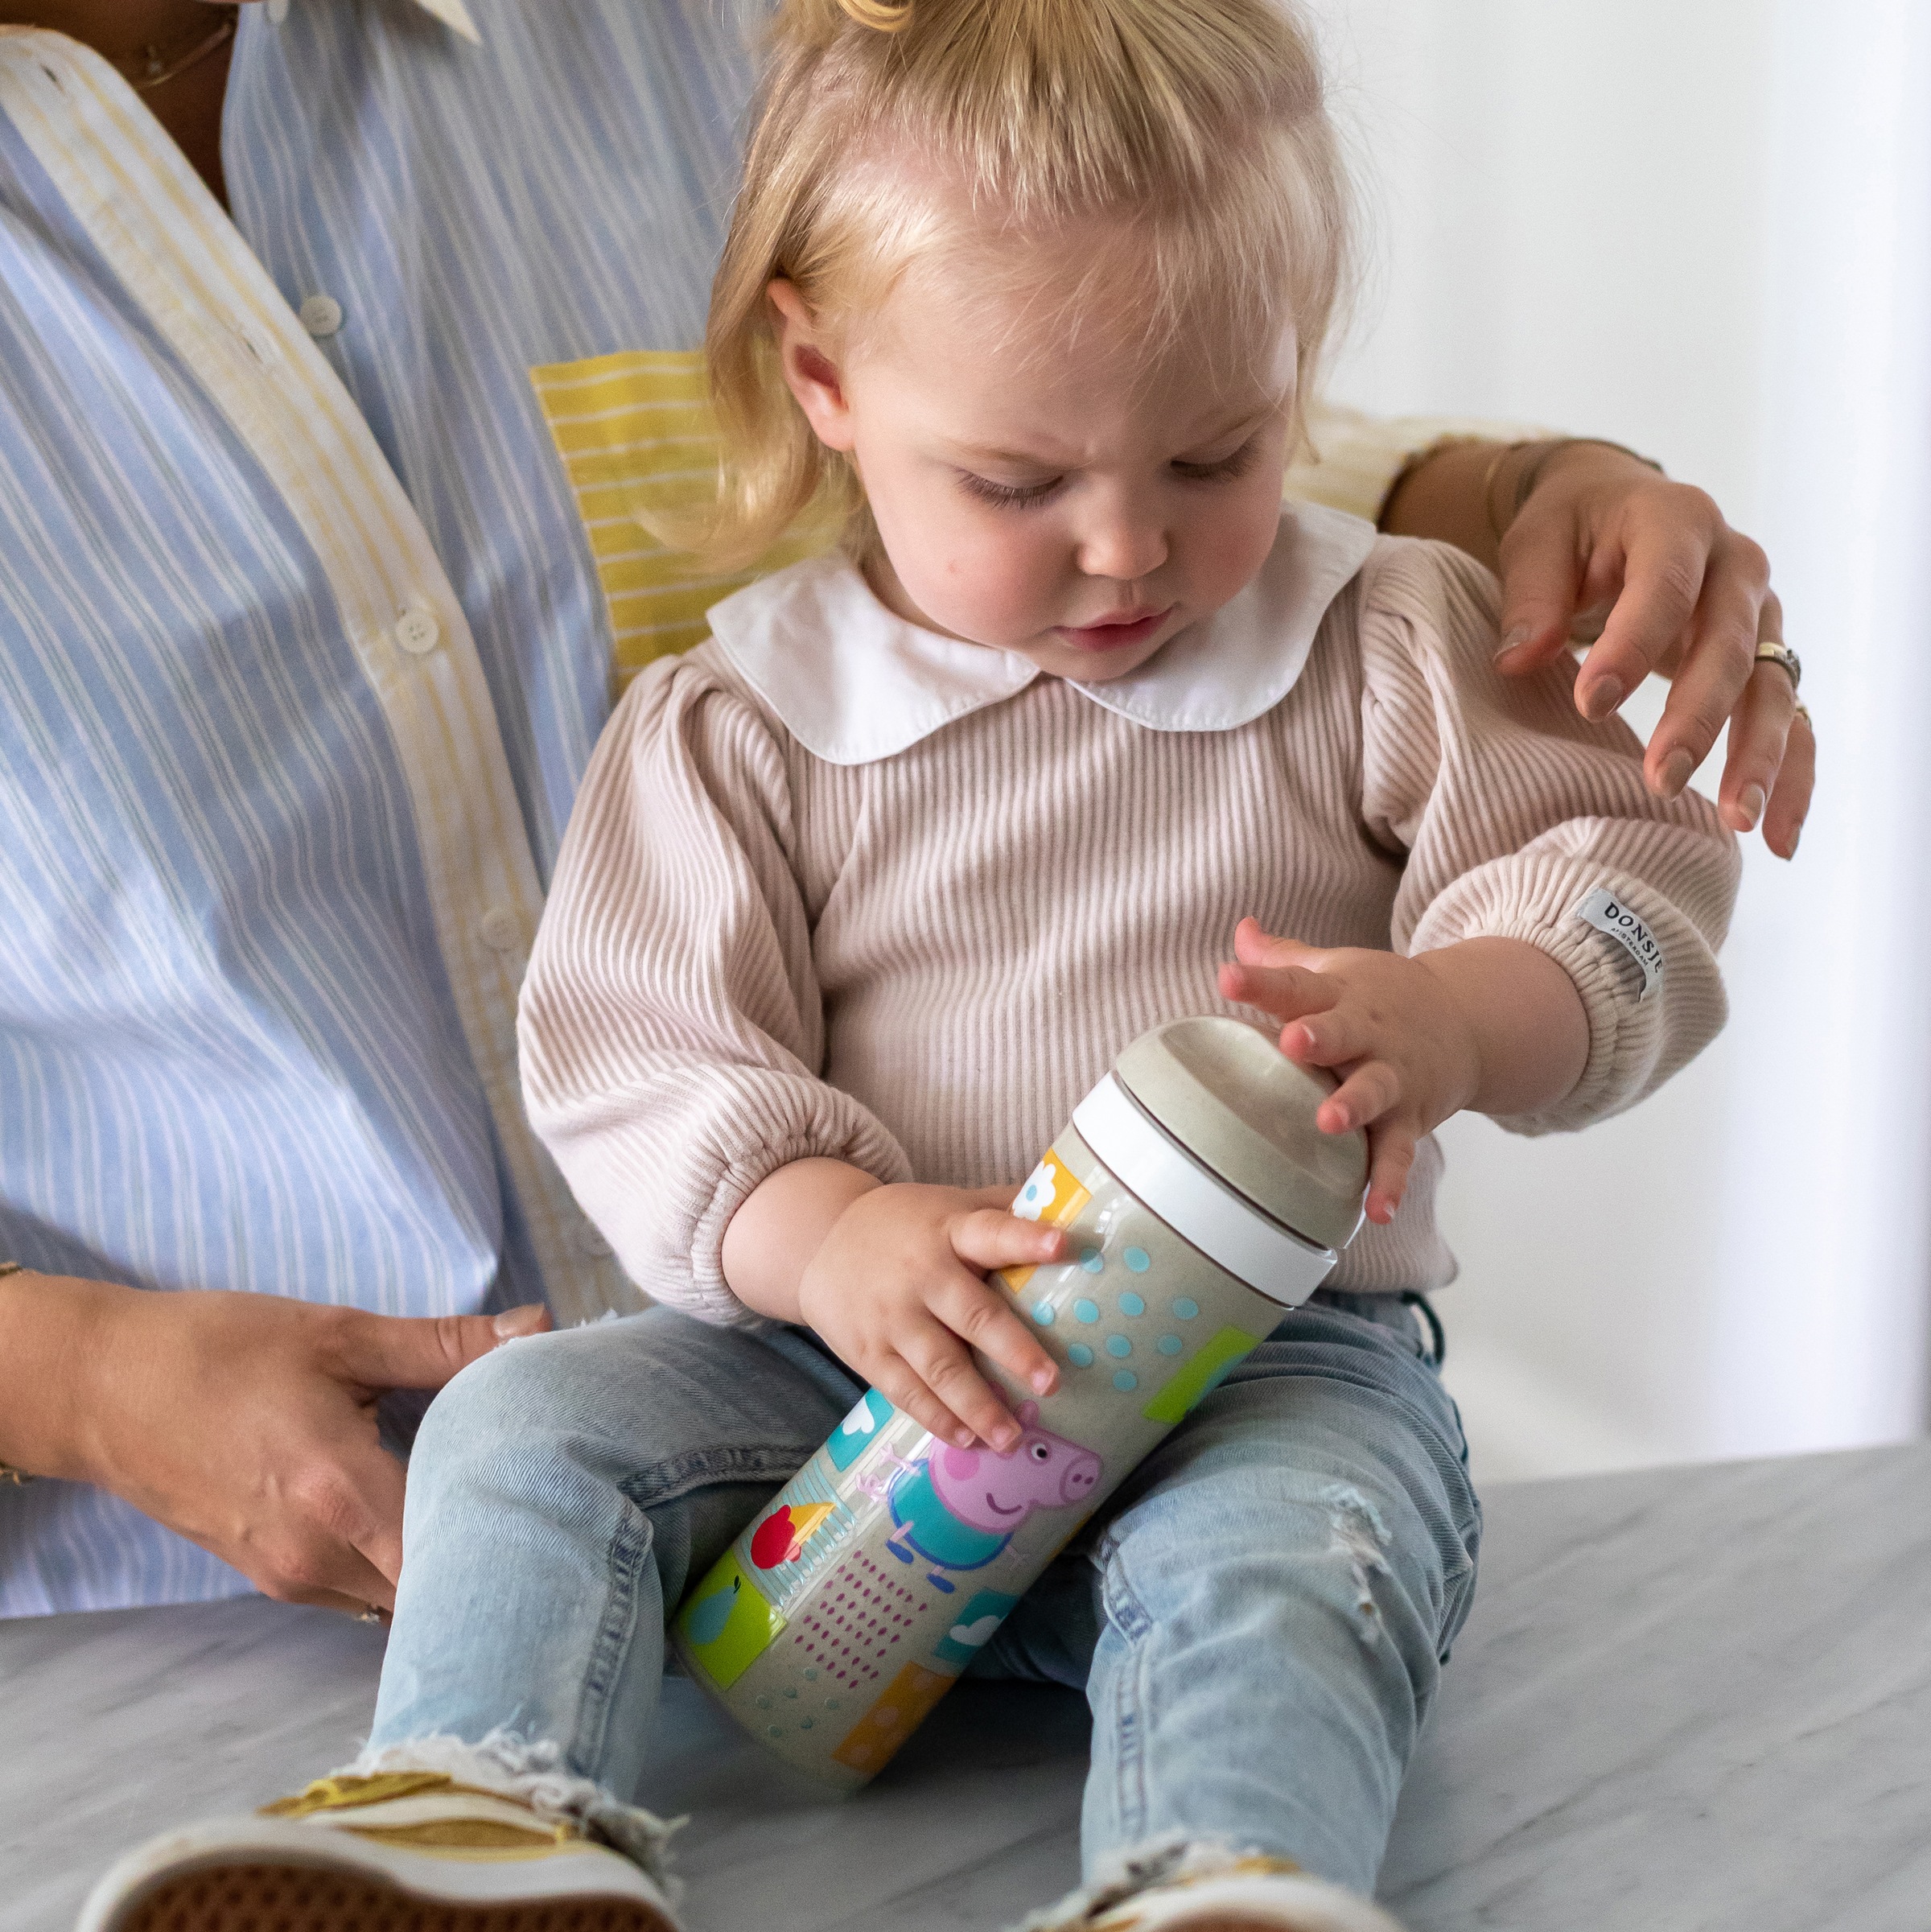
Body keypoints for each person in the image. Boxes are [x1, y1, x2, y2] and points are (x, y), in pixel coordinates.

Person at [80, 4, 1742, 1928]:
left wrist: (1464, 1014)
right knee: (522, 1430)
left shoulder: (1370, 643)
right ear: (825, 375)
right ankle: (476, 1806)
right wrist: (827, 1235)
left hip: (1273, 1368)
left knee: (1305, 1552)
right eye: (1020, 484)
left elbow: (1617, 880)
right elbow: (640, 1053)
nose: (1129, 549)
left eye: (1218, 449)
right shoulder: (742, 726)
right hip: (832, 1380)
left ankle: (1224, 1879)